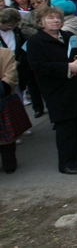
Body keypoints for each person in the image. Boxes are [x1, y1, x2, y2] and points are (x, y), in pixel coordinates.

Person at [27, 6, 77, 174]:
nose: (55, 21)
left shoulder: (69, 36)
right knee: (66, 128)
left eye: (57, 18)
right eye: (50, 18)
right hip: (57, 91)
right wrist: (68, 67)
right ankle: (67, 163)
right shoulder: (35, 42)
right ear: (41, 22)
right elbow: (39, 67)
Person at [0, 46, 21, 174]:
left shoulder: (5, 53)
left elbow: (11, 75)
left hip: (2, 98)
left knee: (6, 137)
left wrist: (3, 87)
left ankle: (9, 163)